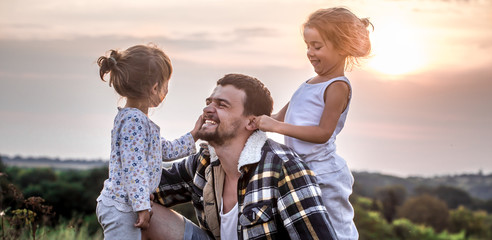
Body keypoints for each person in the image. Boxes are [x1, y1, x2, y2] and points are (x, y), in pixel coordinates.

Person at [142, 73, 337, 240]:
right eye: (209, 102)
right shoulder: (204, 161)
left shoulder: (284, 168)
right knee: (137, 206)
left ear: (252, 122)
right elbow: (142, 185)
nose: (208, 109)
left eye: (222, 105)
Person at [252, 7, 373, 240]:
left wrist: (275, 127)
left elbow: (322, 133)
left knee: (336, 229)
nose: (310, 52)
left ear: (341, 47)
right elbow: (279, 118)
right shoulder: (309, 83)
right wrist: (258, 120)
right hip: (301, 169)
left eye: (317, 46)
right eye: (307, 45)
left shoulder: (337, 86)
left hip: (325, 171)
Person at [95, 44, 201, 240]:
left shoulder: (136, 120)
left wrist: (193, 135)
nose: (167, 89)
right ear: (154, 88)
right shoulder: (134, 122)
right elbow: (133, 168)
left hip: (125, 206)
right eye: (166, 83)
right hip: (122, 209)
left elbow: (165, 150)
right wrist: (142, 205)